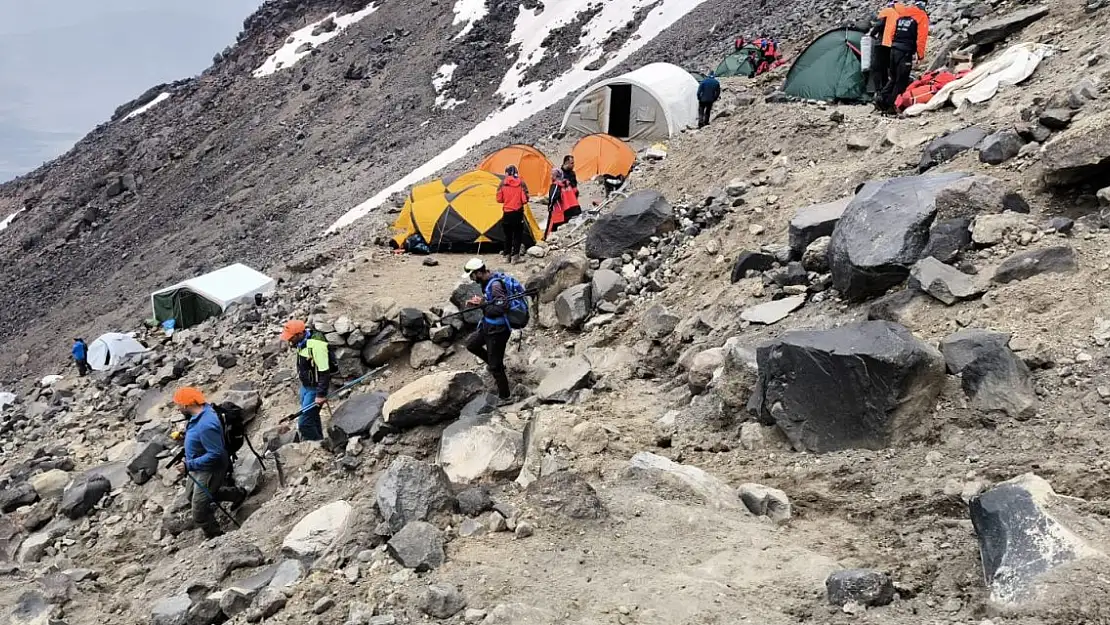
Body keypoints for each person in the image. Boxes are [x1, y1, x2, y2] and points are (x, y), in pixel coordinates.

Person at [173, 387, 244, 539]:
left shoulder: (206, 424)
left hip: (210, 469)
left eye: (179, 405)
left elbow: (215, 453)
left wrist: (188, 466)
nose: (178, 408)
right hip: (198, 466)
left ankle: (216, 537)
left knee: (198, 509)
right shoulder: (200, 414)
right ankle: (236, 494)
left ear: (186, 406)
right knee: (191, 495)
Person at [462, 258, 516, 402]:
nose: (472, 280)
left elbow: (501, 308)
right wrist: (479, 304)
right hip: (488, 325)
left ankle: (506, 397)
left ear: (479, 273)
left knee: (495, 366)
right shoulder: (487, 282)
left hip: (498, 330)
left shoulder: (495, 285)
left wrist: (483, 303)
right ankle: (495, 364)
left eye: (472, 276)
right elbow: (491, 304)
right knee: (471, 344)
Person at [279, 319, 332, 441]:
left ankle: (317, 447)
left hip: (315, 389)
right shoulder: (301, 343)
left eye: (291, 337)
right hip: (306, 387)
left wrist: (321, 394)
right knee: (312, 417)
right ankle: (321, 440)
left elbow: (324, 371)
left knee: (304, 423)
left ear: (299, 334)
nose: (288, 340)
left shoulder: (316, 345)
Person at [880, 0, 930, 112]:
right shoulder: (922, 16)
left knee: (893, 78)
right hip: (905, 52)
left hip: (894, 50)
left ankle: (881, 99)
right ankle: (892, 106)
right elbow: (921, 39)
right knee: (901, 81)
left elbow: (892, 32)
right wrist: (920, 56)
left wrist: (894, 45)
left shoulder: (904, 13)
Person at [496, 165, 529, 264]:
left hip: (507, 212)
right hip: (518, 212)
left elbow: (499, 199)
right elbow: (525, 199)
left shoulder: (502, 183)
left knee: (508, 235)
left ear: (506, 173)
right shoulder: (521, 183)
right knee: (518, 235)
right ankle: (515, 257)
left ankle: (507, 256)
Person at [870, 1, 900, 102]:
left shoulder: (888, 13)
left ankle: (878, 91)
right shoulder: (899, 16)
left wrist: (872, 34)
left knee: (877, 67)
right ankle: (886, 90)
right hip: (892, 46)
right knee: (887, 67)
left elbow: (878, 26)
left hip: (881, 44)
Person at [546, 160, 582, 237]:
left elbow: (553, 197)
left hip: (560, 212)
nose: (551, 176)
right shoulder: (567, 183)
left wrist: (550, 206)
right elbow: (576, 192)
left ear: (555, 176)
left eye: (552, 175)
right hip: (573, 209)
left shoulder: (556, 185)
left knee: (552, 230)